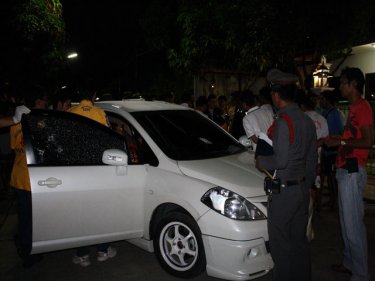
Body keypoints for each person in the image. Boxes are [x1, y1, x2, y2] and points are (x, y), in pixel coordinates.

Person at [256, 69, 317, 281]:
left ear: (275, 94)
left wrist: (261, 160)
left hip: (284, 193)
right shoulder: (307, 121)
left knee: (281, 247)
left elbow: (279, 161)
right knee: (300, 243)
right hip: (301, 189)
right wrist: (307, 184)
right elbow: (312, 160)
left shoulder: (283, 122)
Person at [324, 67, 372, 281]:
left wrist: (341, 141)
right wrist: (336, 138)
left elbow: (367, 142)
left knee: (353, 225)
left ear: (354, 84)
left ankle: (361, 274)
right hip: (346, 169)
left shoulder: (362, 107)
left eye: (343, 82)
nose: (340, 87)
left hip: (353, 170)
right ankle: (350, 263)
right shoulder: (353, 108)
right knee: (347, 222)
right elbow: (352, 136)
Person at [68, 91, 116, 266]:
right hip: (98, 171)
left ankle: (83, 255)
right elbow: (110, 139)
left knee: (80, 214)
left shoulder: (70, 113)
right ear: (93, 96)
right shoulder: (99, 113)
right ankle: (103, 250)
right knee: (100, 212)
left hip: (76, 173)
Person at [11, 91, 47, 267]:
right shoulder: (36, 121)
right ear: (38, 101)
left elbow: (14, 145)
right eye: (44, 101)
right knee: (31, 219)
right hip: (31, 178)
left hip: (18, 175)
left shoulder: (15, 122)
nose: (45, 104)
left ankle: (24, 245)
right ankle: (28, 252)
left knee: (25, 217)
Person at [298, 92, 329, 241]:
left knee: (305, 187)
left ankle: (305, 221)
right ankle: (312, 219)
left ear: (302, 105)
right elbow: (325, 140)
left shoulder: (302, 119)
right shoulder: (322, 119)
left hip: (303, 160)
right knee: (314, 187)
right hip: (317, 157)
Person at [319, 89, 343, 209]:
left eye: (322, 99)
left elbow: (339, 132)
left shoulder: (334, 113)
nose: (320, 101)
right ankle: (333, 200)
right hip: (328, 149)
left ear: (327, 100)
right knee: (329, 175)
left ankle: (335, 201)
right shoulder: (327, 113)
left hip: (333, 150)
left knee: (333, 177)